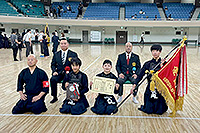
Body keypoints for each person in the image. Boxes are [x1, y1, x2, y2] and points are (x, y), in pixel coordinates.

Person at [132, 44, 168, 115]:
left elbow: (167, 75)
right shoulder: (147, 64)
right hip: (150, 86)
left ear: (160, 52)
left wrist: (162, 66)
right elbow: (140, 75)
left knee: (159, 111)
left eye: (157, 51)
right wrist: (135, 84)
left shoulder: (164, 63)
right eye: (153, 51)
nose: (155, 53)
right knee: (148, 110)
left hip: (160, 88)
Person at [50, 38, 78, 103]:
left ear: (68, 44)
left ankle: (71, 96)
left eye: (65, 43)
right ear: (60, 45)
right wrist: (54, 71)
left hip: (70, 74)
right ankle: (54, 96)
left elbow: (77, 64)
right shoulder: (56, 54)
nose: (63, 45)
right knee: (52, 79)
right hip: (59, 73)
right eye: (61, 44)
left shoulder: (73, 54)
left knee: (72, 81)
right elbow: (53, 64)